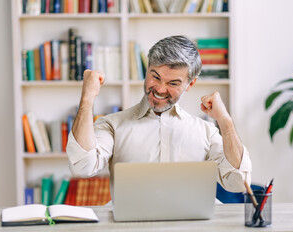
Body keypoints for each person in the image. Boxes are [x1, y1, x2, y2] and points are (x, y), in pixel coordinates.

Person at [66, 35, 251, 202]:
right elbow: (82, 167)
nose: (161, 89)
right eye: (155, 77)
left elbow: (238, 182)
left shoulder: (207, 132)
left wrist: (225, 121)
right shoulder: (112, 125)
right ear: (147, 71)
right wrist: (87, 98)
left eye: (173, 83)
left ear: (190, 84)